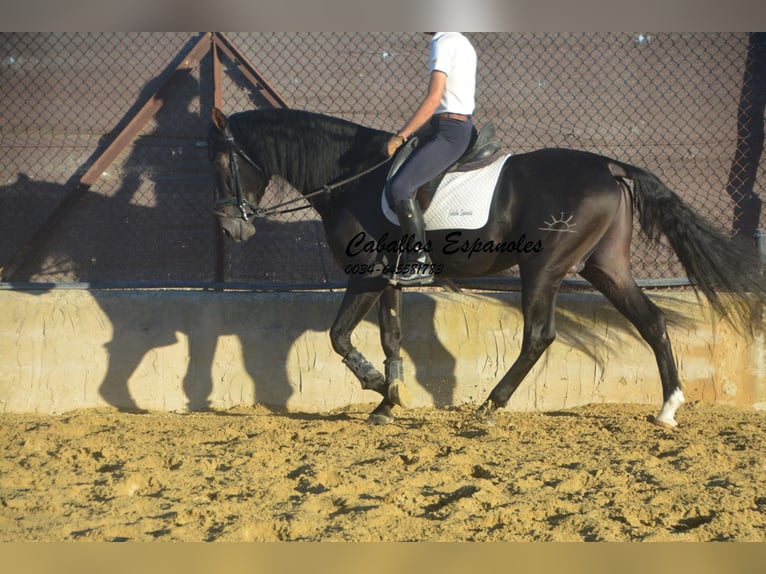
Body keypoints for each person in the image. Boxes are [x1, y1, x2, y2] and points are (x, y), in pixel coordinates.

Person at [384, 32, 478, 286]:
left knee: (399, 187)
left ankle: (418, 262)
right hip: (450, 127)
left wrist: (401, 135)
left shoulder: (443, 41)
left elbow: (434, 98)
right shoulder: (461, 40)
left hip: (448, 132)